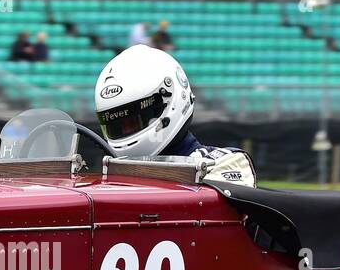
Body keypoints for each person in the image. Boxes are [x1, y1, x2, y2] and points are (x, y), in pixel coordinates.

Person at [93, 44, 255, 185]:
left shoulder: (223, 164)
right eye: (117, 125)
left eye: (133, 121)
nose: (126, 130)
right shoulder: (111, 179)